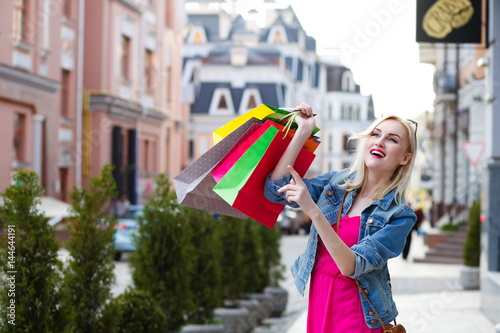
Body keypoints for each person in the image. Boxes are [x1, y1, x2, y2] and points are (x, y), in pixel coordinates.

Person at [264, 103, 417, 332]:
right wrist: (303, 132)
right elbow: (275, 189)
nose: (379, 142)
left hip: (357, 311)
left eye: (392, 139)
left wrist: (313, 211)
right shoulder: (337, 184)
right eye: (375, 134)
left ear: (405, 158)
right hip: (321, 298)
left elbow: (350, 265)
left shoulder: (399, 215)